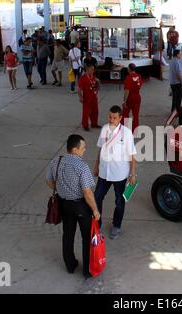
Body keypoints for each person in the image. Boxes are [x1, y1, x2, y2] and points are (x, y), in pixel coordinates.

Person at [46, 134, 101, 278]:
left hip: (64, 205)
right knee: (86, 237)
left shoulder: (55, 161)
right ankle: (87, 270)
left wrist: (61, 189)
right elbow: (87, 192)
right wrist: (95, 209)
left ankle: (70, 265)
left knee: (68, 235)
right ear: (75, 150)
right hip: (80, 206)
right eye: (83, 148)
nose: (84, 150)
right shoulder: (81, 166)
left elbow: (49, 182)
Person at [94, 106, 137, 240]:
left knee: (119, 201)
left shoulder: (126, 133)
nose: (111, 120)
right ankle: (97, 225)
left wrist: (133, 174)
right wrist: (96, 166)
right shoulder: (104, 129)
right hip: (104, 172)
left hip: (119, 174)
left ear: (120, 118)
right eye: (110, 117)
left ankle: (116, 226)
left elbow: (132, 155)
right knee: (97, 198)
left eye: (114, 117)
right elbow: (100, 149)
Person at [78, 64, 101, 131]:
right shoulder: (83, 78)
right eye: (92, 69)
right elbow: (79, 89)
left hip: (94, 97)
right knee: (86, 112)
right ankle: (85, 125)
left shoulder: (93, 77)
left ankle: (94, 124)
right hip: (87, 98)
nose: (93, 71)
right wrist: (80, 97)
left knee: (95, 111)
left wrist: (98, 82)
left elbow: (97, 87)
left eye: (93, 69)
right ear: (87, 70)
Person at [122, 63, 143, 133]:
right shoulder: (139, 76)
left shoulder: (128, 78)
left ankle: (126, 130)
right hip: (137, 97)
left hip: (130, 98)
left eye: (128, 68)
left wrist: (124, 101)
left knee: (125, 113)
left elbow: (127, 90)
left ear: (129, 69)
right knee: (136, 115)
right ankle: (135, 130)